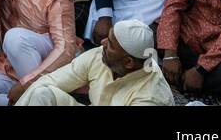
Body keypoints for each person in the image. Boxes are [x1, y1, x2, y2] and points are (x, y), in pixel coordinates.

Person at [16, 18, 173, 106]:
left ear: (129, 62)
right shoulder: (101, 55)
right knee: (42, 93)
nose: (103, 42)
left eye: (110, 44)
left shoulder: (151, 98)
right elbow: (52, 80)